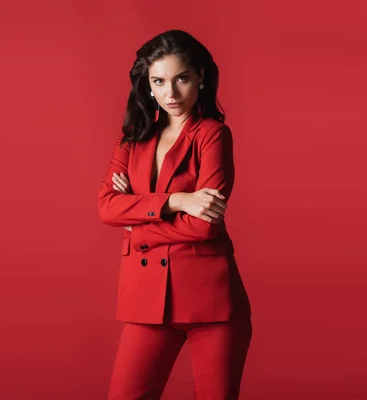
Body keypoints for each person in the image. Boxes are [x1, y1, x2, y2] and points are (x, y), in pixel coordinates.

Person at [97, 29, 252, 400]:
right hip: (145, 300)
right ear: (147, 85)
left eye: (181, 78)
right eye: (159, 81)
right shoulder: (131, 138)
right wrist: (178, 201)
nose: (171, 93)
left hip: (211, 303)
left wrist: (138, 226)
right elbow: (106, 207)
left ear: (200, 76)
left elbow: (203, 227)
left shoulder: (213, 135)